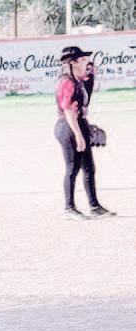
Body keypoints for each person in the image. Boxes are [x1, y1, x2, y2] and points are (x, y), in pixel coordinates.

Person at [55, 45, 115, 220]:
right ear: (72, 62)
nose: (86, 62)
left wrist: (85, 127)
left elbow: (86, 93)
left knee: (89, 167)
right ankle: (69, 208)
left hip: (79, 124)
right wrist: (79, 135)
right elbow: (68, 111)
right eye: (82, 59)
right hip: (68, 127)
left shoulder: (78, 80)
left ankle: (94, 206)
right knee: (72, 168)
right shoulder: (67, 82)